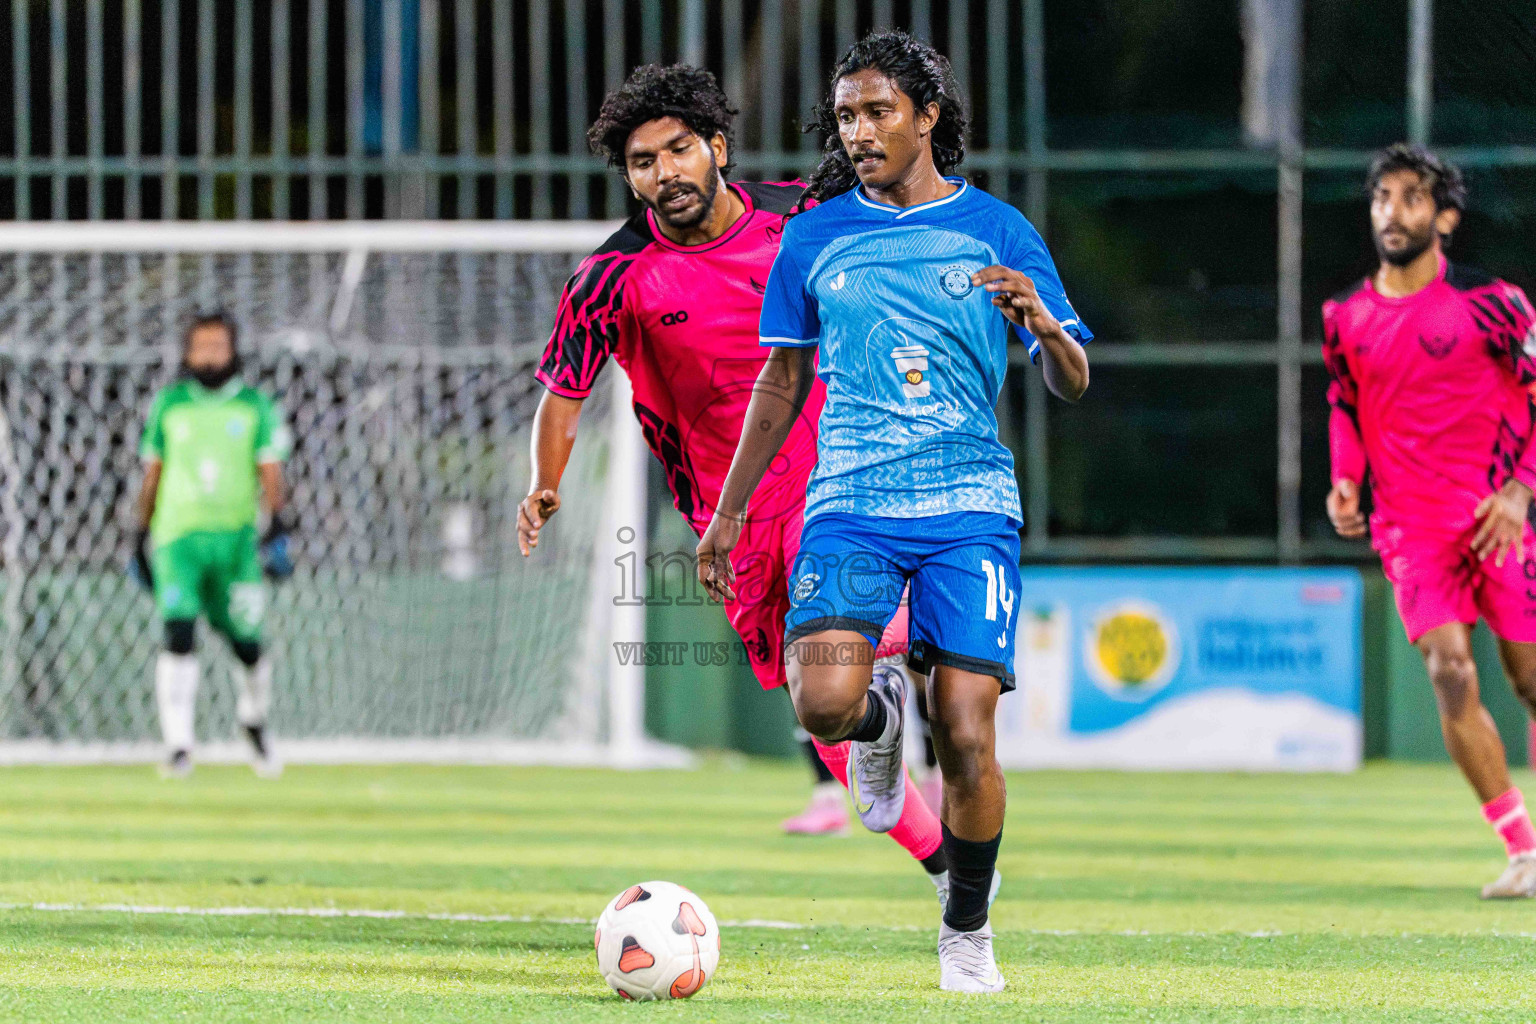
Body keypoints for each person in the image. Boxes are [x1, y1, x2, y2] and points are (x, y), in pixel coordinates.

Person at [696, 32, 1090, 992]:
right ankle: (878, 727)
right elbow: (782, 379)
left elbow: (1074, 378)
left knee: (965, 732)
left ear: (928, 117)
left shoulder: (997, 230)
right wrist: (730, 510)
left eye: (877, 112)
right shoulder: (815, 236)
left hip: (969, 507)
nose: (859, 131)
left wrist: (1041, 323)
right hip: (851, 504)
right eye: (845, 116)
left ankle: (966, 933)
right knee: (824, 702)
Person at [518, 64, 954, 891]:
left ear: (716, 146)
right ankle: (942, 860)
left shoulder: (803, 216)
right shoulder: (609, 280)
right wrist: (547, 482)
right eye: (643, 162)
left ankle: (914, 696)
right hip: (730, 512)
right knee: (814, 701)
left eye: (679, 150)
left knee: (880, 631)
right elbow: (562, 398)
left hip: (837, 471)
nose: (664, 173)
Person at [1324, 143, 1536, 899]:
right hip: (1410, 529)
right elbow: (1344, 403)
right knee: (1450, 671)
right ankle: (1522, 849)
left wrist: (1519, 491)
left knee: (1530, 680)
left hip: (1495, 517)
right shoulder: (1344, 316)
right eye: (1383, 196)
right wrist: (1345, 479)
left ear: (1443, 216)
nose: (1393, 211)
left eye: (1412, 198)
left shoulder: (1499, 305)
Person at [131, 312, 294, 778]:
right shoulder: (170, 403)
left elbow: (271, 473)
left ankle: (253, 720)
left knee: (246, 643)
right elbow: (153, 472)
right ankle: (179, 745)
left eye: (218, 345)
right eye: (200, 345)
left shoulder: (254, 405)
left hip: (237, 541)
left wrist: (278, 525)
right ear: (187, 352)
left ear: (233, 350)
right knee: (178, 632)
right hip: (176, 538)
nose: (209, 354)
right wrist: (139, 532)